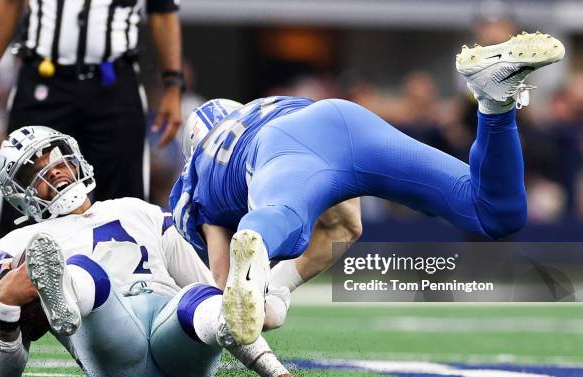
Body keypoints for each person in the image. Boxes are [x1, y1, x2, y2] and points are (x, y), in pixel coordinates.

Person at [169, 32, 566, 345]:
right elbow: (347, 225)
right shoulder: (257, 109)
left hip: (281, 148)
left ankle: (261, 235)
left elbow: (228, 304)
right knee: (493, 213)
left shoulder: (200, 179)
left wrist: (260, 311)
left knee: (282, 226)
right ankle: (495, 102)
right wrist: (277, 292)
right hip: (340, 119)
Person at [0, 126, 342, 377]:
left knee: (201, 297)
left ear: (74, 158)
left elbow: (211, 287)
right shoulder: (19, 243)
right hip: (113, 353)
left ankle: (66, 295)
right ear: (21, 195)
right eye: (35, 171)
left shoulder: (138, 210)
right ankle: (67, 300)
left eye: (55, 159)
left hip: (178, 348)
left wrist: (275, 372)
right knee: (85, 272)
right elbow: (1, 376)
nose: (53, 170)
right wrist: (4, 306)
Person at [0, 0, 186, 361]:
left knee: (128, 209)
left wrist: (173, 84)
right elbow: (8, 3)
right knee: (19, 202)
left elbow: (162, 11)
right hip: (44, 77)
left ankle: (143, 316)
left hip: (114, 81)